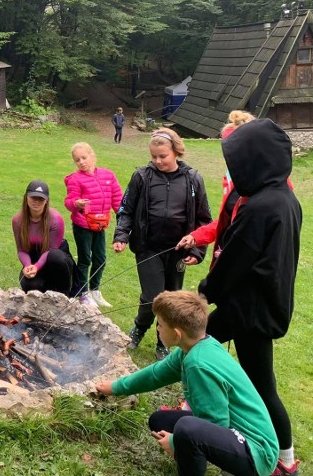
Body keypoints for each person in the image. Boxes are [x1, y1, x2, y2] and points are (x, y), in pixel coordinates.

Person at [197, 119, 302, 476]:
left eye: (239, 160)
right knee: (201, 346)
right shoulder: (284, 198)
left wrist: (204, 292)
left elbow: (236, 260)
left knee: (261, 385)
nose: (234, 168)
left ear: (257, 161)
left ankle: (285, 460)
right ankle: (208, 410)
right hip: (256, 303)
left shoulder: (262, 207)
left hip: (252, 311)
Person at [96, 291, 279, 476]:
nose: (157, 328)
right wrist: (115, 387)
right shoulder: (192, 348)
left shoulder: (198, 365)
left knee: (187, 430)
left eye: (160, 324)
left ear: (177, 334)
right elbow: (155, 374)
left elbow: (216, 423)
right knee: (159, 420)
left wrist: (175, 442)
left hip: (257, 453)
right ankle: (189, 452)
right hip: (233, 432)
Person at [112, 128, 212, 360]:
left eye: (163, 156)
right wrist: (121, 236)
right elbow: (125, 209)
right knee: (152, 296)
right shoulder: (142, 176)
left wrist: (197, 250)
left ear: (176, 152)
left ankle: (162, 343)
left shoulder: (193, 179)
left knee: (173, 297)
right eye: (154, 156)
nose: (158, 161)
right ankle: (139, 328)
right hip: (148, 247)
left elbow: (203, 218)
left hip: (178, 250)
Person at [176, 110, 262, 269]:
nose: (228, 155)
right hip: (227, 257)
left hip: (248, 266)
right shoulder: (232, 178)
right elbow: (227, 222)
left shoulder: (268, 183)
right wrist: (196, 236)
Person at [64, 142, 122, 308]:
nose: (81, 162)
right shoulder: (75, 179)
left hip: (100, 225)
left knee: (101, 259)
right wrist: (77, 203)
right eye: (77, 160)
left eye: (84, 157)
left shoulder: (108, 176)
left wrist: (123, 216)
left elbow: (117, 199)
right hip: (83, 226)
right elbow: (68, 202)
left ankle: (95, 289)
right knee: (85, 260)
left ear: (92, 156)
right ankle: (83, 293)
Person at [12, 180, 75, 296]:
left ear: (46, 201)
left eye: (40, 199)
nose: (36, 201)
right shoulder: (17, 220)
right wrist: (28, 266)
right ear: (26, 197)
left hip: (55, 258)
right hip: (34, 258)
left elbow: (51, 250)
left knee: (55, 256)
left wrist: (37, 266)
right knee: (28, 284)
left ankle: (65, 295)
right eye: (33, 197)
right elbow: (21, 250)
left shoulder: (55, 219)